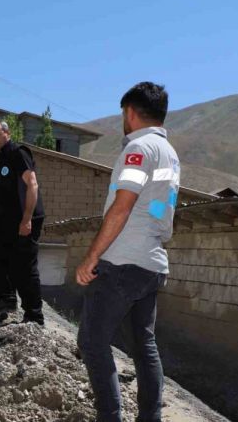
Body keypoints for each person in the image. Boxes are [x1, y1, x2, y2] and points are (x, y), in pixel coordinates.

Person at [75, 82, 179, 422]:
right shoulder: (170, 156)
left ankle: (111, 417)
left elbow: (122, 206)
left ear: (131, 113)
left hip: (122, 262)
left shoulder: (139, 149)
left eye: (123, 114)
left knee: (92, 341)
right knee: (143, 345)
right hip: (151, 262)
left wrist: (91, 257)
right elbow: (163, 208)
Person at [0, 118, 45, 325]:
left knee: (24, 267)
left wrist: (27, 219)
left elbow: (32, 185)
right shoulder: (2, 157)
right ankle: (7, 299)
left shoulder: (19, 152)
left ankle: (34, 317)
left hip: (25, 219)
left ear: (7, 133)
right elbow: (3, 194)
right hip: (7, 220)